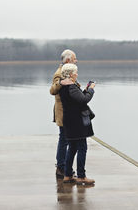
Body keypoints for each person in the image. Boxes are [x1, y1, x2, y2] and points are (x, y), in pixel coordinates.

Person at [59, 63, 95, 185]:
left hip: (69, 121)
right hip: (77, 122)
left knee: (72, 148)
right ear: (70, 74)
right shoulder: (71, 87)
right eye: (75, 72)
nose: (77, 74)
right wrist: (91, 90)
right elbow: (84, 100)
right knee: (82, 148)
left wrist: (84, 90)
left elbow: (78, 99)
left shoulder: (64, 86)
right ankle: (81, 176)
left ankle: (68, 175)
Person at [50, 49, 78, 178]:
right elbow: (52, 90)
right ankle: (61, 167)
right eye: (74, 58)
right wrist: (61, 82)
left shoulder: (69, 72)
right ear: (67, 60)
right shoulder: (60, 73)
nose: (76, 60)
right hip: (63, 112)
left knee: (65, 139)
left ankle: (63, 167)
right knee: (64, 140)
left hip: (69, 112)